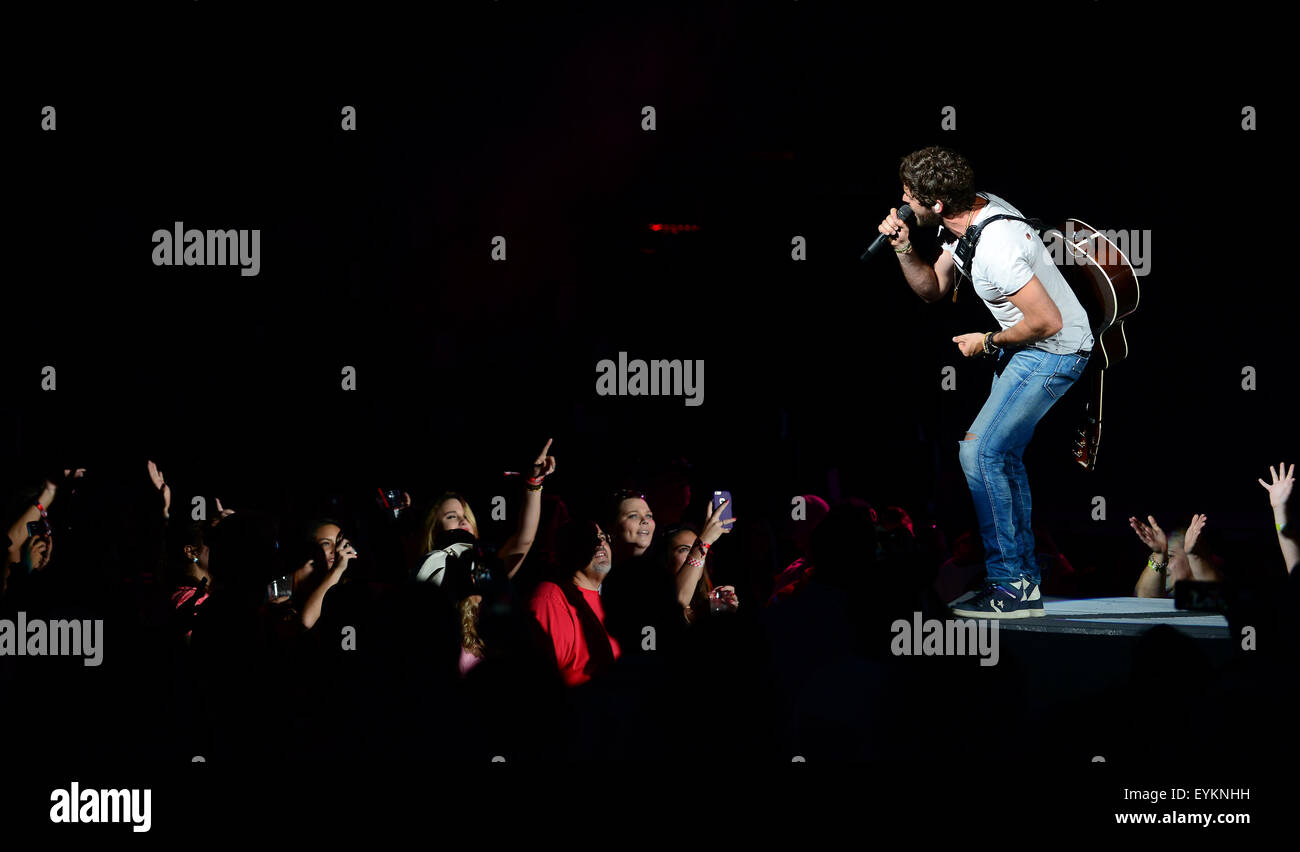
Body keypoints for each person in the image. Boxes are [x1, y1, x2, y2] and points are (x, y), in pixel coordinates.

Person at [879, 146, 1094, 618]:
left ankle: (1012, 585)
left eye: (909, 196)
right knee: (998, 453)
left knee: (979, 452)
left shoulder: (997, 244)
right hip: (1032, 347)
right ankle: (1021, 582)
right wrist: (901, 245)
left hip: (1053, 350)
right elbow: (933, 290)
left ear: (935, 205)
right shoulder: (963, 224)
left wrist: (988, 340)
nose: (901, 201)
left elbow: (1047, 320)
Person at [528, 521, 621, 686]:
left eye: (602, 537)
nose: (600, 543)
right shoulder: (551, 599)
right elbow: (538, 679)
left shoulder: (613, 598)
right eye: (589, 538)